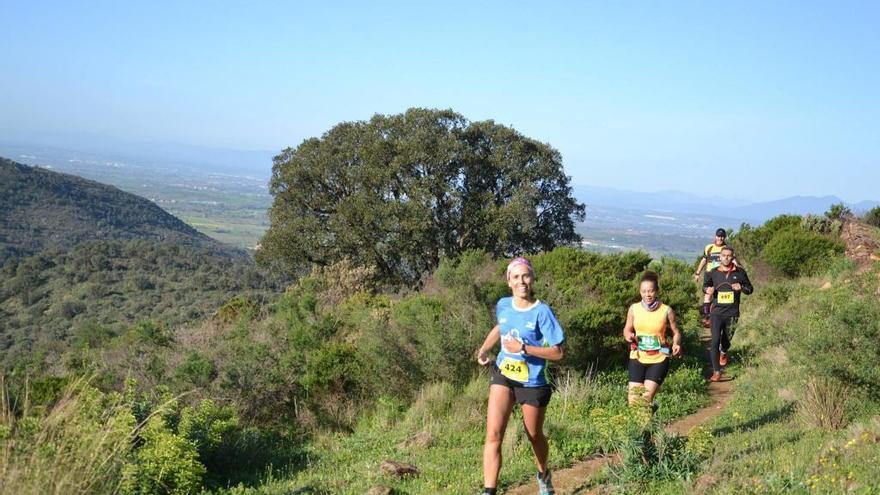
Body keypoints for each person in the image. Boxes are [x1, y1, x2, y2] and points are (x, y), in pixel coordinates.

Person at [476, 257, 565, 495]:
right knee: (494, 433)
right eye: (516, 277)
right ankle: (489, 490)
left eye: (526, 276)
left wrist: (524, 349)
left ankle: (544, 475)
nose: (521, 281)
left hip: (533, 381)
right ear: (508, 281)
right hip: (504, 374)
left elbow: (558, 352)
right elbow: (501, 327)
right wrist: (485, 349)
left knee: (534, 435)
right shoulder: (503, 305)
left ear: (533, 279)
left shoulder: (542, 312)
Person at [623, 272, 682, 407]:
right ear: (640, 292)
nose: (647, 295)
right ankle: (641, 425)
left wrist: (676, 343)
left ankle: (646, 422)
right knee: (633, 400)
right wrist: (628, 335)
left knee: (645, 398)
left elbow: (676, 332)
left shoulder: (666, 310)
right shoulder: (634, 309)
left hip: (659, 357)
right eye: (644, 291)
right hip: (637, 356)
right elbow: (627, 328)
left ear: (656, 291)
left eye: (650, 291)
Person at [703, 246, 753, 382]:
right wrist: (709, 290)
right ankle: (716, 371)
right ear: (720, 257)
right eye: (723, 255)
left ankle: (724, 352)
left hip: (732, 313)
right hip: (716, 312)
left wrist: (741, 288)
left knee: (726, 340)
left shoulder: (740, 272)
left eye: (729, 255)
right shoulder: (712, 272)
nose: (726, 257)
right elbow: (705, 287)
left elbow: (750, 289)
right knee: (714, 341)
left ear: (733, 257)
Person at [693, 228, 736, 327]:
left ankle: (720, 317)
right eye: (718, 236)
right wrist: (697, 273)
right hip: (709, 275)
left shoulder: (727, 248)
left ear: (724, 237)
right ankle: (707, 318)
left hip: (722, 275)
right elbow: (704, 260)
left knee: (720, 296)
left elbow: (733, 260)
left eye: (722, 237)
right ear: (715, 236)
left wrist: (738, 272)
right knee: (708, 294)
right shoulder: (709, 247)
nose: (720, 238)